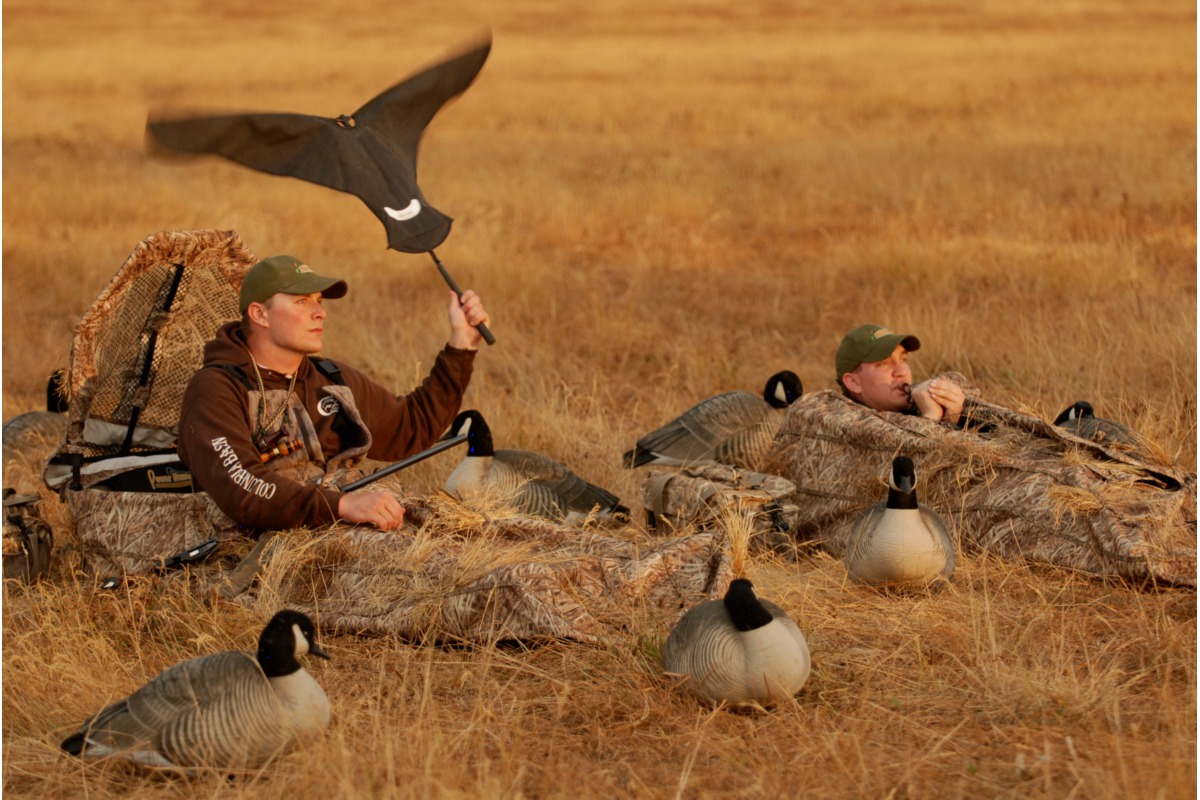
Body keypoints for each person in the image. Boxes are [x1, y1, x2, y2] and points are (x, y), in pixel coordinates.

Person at [177, 254, 490, 533]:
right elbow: (243, 489)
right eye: (302, 301)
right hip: (277, 544)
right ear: (260, 314)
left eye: (319, 301)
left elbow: (411, 428)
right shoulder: (217, 389)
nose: (320, 313)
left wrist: (462, 344)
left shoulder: (330, 378)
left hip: (352, 525)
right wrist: (342, 506)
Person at [835, 323, 966, 426]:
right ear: (854, 383)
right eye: (883, 363)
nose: (901, 372)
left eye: (903, 360)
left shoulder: (917, 405)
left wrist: (951, 420)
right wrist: (931, 417)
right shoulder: (846, 424)